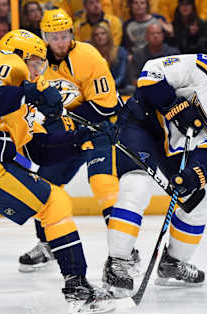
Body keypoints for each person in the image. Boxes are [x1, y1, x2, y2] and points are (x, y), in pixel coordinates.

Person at [0, 29, 116, 314]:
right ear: (22, 54)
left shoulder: (18, 100)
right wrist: (32, 91)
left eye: (42, 66)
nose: (38, 71)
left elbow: (39, 151)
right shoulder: (7, 60)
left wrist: (81, 140)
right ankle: (79, 291)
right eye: (36, 63)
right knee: (55, 203)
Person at [102, 53, 207, 296]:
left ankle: (173, 263)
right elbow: (150, 72)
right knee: (136, 187)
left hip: (176, 148)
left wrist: (192, 175)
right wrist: (173, 106)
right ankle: (116, 263)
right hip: (144, 123)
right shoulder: (204, 68)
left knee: (202, 201)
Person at [16, 9, 134, 273]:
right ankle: (46, 244)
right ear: (44, 36)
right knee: (44, 185)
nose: (59, 41)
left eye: (63, 35)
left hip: (99, 128)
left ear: (71, 33)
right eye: (53, 37)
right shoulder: (35, 60)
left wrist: (62, 117)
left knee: (104, 185)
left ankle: (124, 251)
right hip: (63, 133)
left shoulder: (88, 56)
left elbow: (105, 106)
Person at [91, 22, 129, 90]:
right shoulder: (91, 54)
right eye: (96, 35)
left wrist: (109, 88)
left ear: (108, 35)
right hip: (98, 89)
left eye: (103, 33)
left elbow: (121, 76)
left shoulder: (120, 51)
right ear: (93, 38)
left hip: (119, 88)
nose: (100, 36)